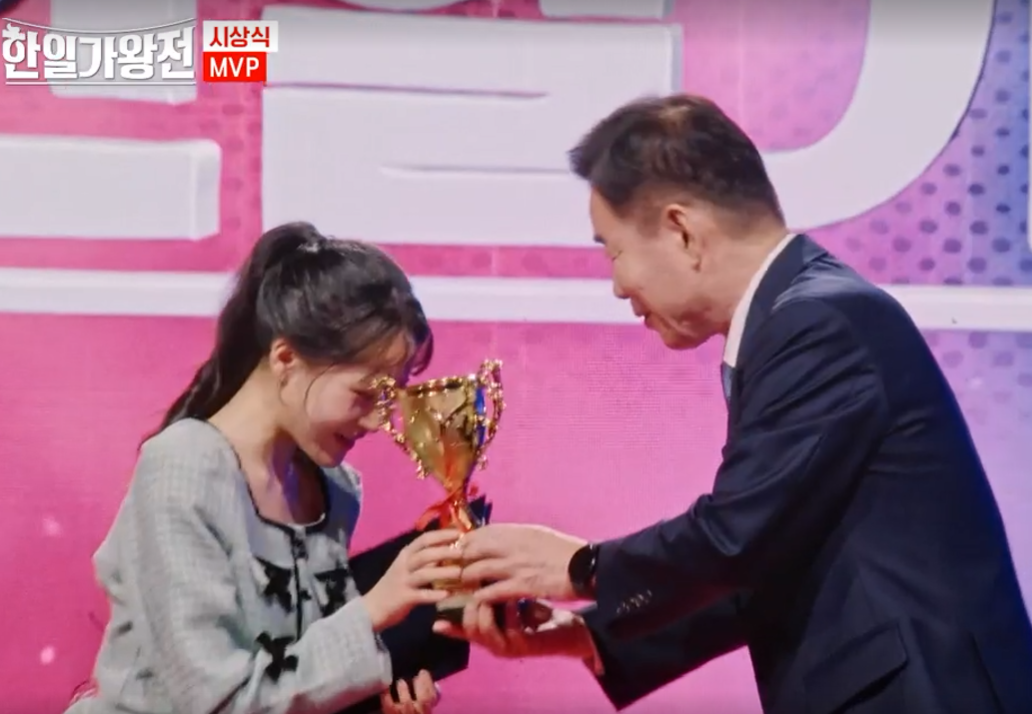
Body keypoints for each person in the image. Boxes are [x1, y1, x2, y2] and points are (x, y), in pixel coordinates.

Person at [437, 95, 1032, 714]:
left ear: (682, 231)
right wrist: (590, 637)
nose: (616, 285)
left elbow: (736, 537)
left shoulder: (818, 322)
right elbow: (769, 555)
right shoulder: (802, 315)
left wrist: (583, 567)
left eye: (613, 252)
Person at [66, 222, 463, 714]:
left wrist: (373, 699)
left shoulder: (335, 490)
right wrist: (372, 613)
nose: (380, 421)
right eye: (366, 394)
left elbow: (290, 678)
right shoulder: (181, 470)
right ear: (285, 358)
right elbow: (216, 701)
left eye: (392, 398)